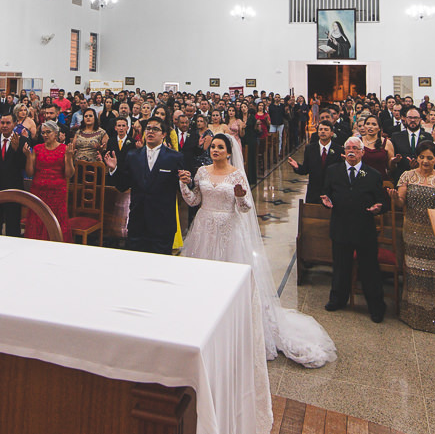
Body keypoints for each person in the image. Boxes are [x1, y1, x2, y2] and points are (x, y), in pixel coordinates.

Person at [179, 134, 336, 386]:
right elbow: (195, 200)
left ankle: (231, 327)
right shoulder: (201, 172)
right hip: (204, 229)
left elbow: (243, 209)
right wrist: (183, 185)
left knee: (229, 282)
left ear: (229, 152)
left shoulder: (236, 175)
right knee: (203, 280)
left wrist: (241, 196)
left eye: (221, 147)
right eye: (213, 147)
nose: (216, 150)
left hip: (229, 231)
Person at [320, 137, 389, 322]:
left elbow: (383, 202)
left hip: (364, 229)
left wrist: (378, 207)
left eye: (355, 148)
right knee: (340, 267)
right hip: (341, 226)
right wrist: (326, 201)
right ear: (344, 151)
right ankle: (337, 299)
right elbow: (326, 192)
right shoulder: (333, 171)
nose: (352, 151)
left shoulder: (373, 175)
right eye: (348, 148)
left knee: (369, 270)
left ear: (362, 152)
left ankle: (375, 307)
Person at [396, 141, 435, 333]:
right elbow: (401, 201)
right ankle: (413, 315)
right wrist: (393, 198)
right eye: (422, 157)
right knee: (415, 273)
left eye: (430, 158)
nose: (425, 161)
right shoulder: (407, 176)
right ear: (416, 158)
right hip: (413, 232)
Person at [105, 117, 184, 254]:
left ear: (164, 134)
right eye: (148, 128)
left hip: (162, 223)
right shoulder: (133, 156)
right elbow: (123, 185)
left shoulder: (175, 157)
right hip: (138, 222)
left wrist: (186, 181)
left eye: (155, 129)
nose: (150, 132)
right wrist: (114, 169)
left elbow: (182, 189)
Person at [26, 120, 72, 242]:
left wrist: (69, 158)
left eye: (48, 132)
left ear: (56, 133)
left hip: (57, 192)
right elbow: (30, 173)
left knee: (56, 219)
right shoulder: (37, 148)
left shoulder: (64, 149)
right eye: (43, 133)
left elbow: (69, 173)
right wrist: (28, 157)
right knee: (38, 217)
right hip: (38, 191)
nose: (45, 135)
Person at [287, 121, 341, 205]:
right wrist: (297, 167)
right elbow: (306, 169)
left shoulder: (338, 149)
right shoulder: (310, 148)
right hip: (314, 192)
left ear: (331, 133)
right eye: (320, 129)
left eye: (326, 129)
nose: (323, 131)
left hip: (331, 192)